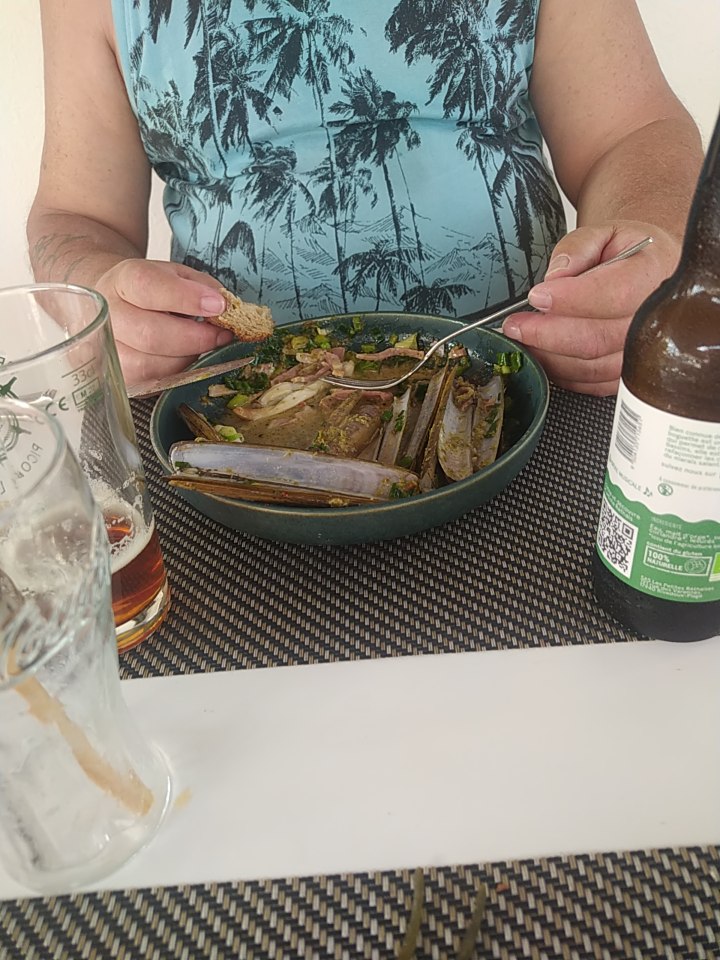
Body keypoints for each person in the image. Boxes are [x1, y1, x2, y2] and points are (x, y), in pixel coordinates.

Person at [28, 0, 703, 396]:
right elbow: (76, 218)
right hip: (223, 407)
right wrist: (100, 299)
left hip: (532, 385)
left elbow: (634, 130)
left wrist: (646, 242)